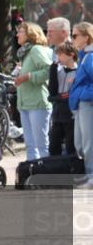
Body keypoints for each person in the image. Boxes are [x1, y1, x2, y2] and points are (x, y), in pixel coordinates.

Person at [14, 21, 53, 161]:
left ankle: (47, 177)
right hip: (24, 104)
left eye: (20, 31)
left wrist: (28, 76)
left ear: (30, 33)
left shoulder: (36, 49)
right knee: (30, 146)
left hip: (38, 103)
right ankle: (33, 175)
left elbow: (49, 70)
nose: (17, 34)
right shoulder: (25, 52)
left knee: (42, 145)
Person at [67, 22, 93, 187]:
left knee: (88, 142)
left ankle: (92, 176)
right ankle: (89, 173)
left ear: (86, 36)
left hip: (87, 104)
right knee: (80, 144)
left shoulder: (90, 56)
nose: (72, 38)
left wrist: (84, 95)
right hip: (80, 105)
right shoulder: (85, 55)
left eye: (75, 35)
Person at [49, 41, 78, 157]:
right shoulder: (59, 71)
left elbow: (71, 95)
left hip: (71, 116)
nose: (58, 57)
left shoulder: (78, 72)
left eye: (61, 54)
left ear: (71, 55)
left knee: (71, 147)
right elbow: (52, 92)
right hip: (56, 116)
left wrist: (57, 97)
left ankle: (71, 172)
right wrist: (52, 70)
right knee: (53, 147)